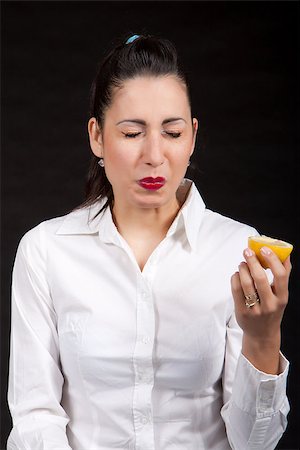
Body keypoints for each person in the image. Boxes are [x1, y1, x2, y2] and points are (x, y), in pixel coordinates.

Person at [7, 34, 291, 450]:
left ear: (192, 137)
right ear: (97, 137)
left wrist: (263, 337)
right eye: (132, 133)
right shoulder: (45, 251)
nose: (154, 155)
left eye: (172, 133)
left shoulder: (238, 249)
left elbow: (254, 443)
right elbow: (35, 418)